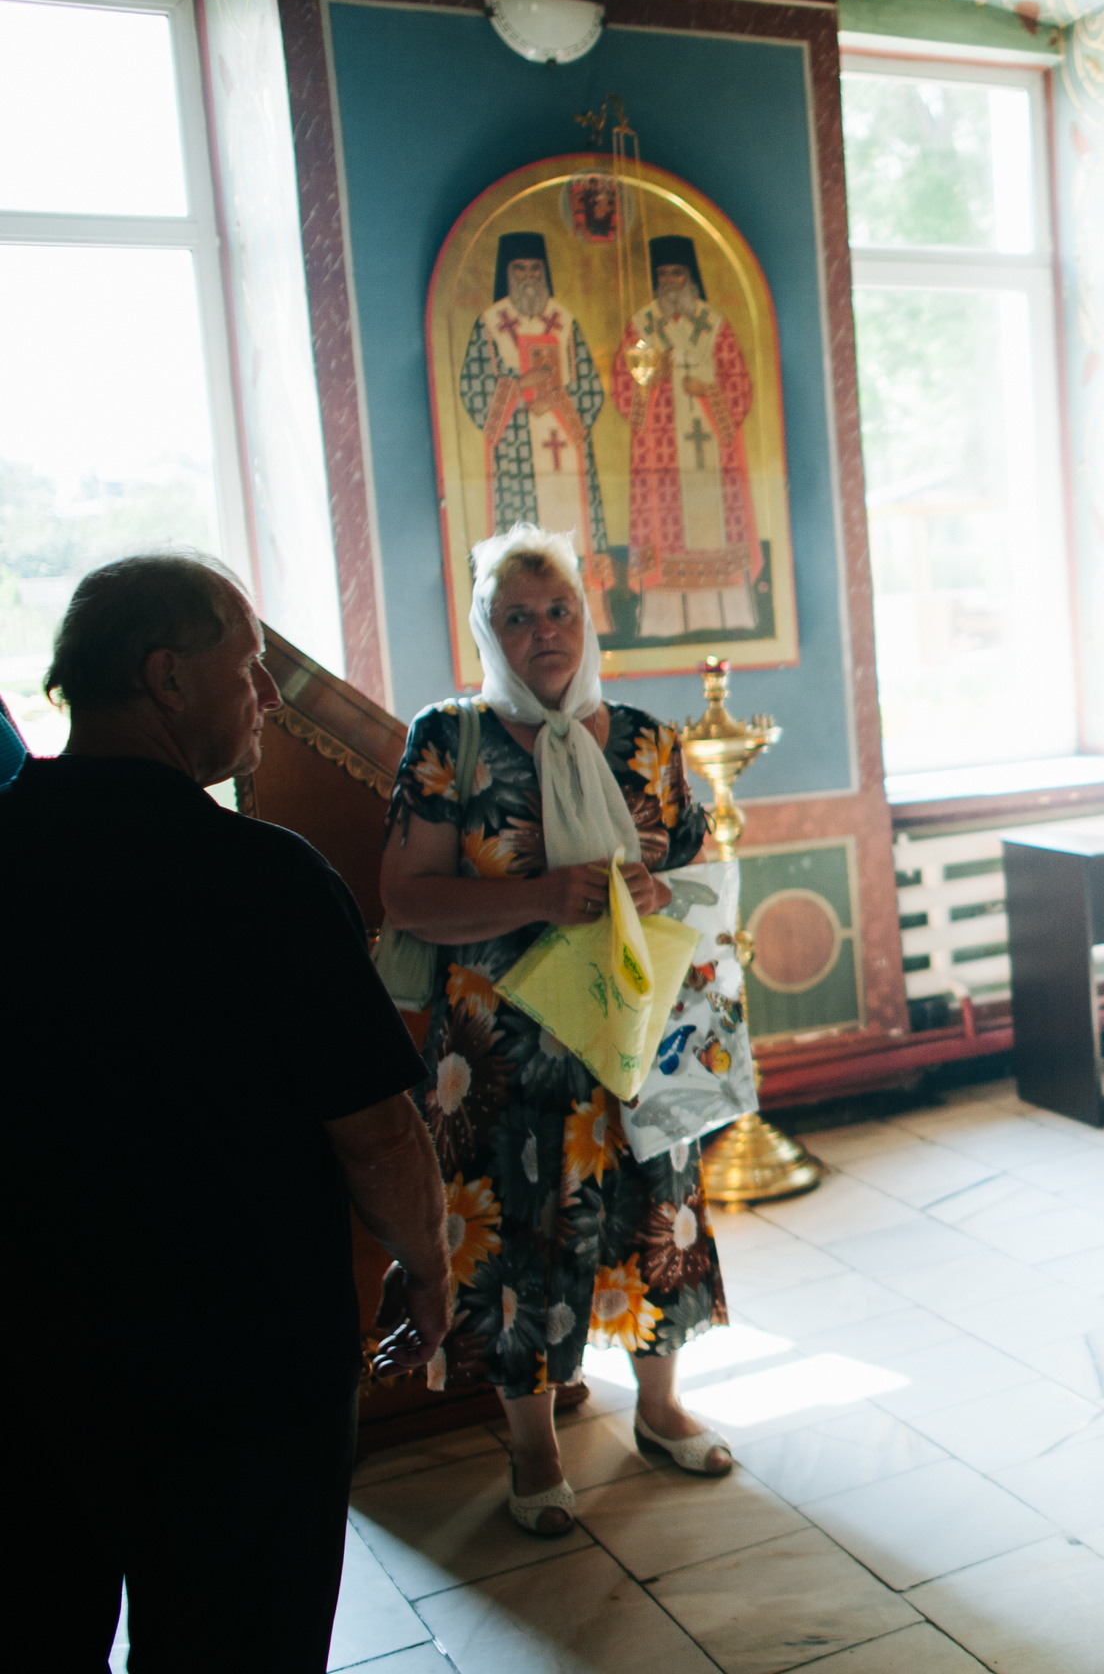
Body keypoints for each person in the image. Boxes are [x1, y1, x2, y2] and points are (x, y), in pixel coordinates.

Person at [14, 554, 449, 1670]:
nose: (264, 698)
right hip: (238, 1373)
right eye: (248, 669)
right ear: (166, 677)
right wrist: (428, 1262)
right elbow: (377, 1129)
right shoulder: (262, 877)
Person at [379, 525, 732, 1538]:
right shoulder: (450, 739)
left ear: (589, 616)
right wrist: (539, 896)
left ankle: (659, 1410)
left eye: (560, 610)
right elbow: (406, 898)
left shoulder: (645, 739)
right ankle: (533, 1446)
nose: (544, 633)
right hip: (504, 1054)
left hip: (633, 1036)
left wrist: (666, 885)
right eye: (517, 617)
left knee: (654, 1212)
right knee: (516, 1236)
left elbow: (708, 874)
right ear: (487, 632)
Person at [611, 235, 764, 639]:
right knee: (666, 538)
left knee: (716, 533)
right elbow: (624, 392)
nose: (671, 283)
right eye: (663, 275)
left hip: (712, 458)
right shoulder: (642, 327)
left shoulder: (714, 326)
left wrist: (710, 391)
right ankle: (663, 623)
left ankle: (729, 618)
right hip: (661, 463)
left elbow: (740, 388)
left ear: (691, 277)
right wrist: (651, 382)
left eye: (678, 274)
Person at [459, 232, 614, 629]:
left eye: (535, 270)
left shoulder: (563, 322)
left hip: (567, 450)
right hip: (517, 457)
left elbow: (592, 389)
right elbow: (474, 388)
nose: (528, 278)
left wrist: (558, 397)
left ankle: (588, 619)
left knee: (574, 531)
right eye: (519, 270)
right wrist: (520, 388)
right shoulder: (492, 325)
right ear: (506, 276)